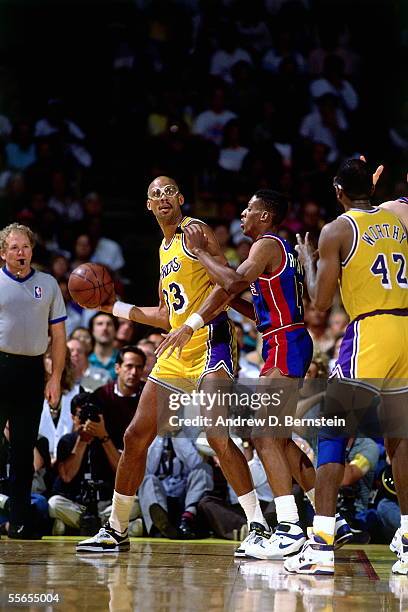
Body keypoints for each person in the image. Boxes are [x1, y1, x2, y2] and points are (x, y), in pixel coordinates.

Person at [157, 189, 351, 559]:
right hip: (284, 337)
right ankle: (333, 521)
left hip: (284, 342)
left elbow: (231, 283)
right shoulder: (276, 250)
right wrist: (224, 308)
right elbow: (254, 304)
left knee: (264, 436)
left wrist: (199, 255)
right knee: (278, 440)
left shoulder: (263, 245)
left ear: (264, 216)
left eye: (249, 209)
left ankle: (289, 527)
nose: (243, 214)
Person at [77, 175, 265, 553]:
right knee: (135, 436)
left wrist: (193, 323)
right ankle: (116, 528)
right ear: (148, 205)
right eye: (154, 194)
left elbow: (226, 284)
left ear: (180, 198)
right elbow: (166, 314)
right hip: (178, 348)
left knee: (216, 435)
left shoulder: (194, 230)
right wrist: (111, 306)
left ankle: (258, 526)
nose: (162, 198)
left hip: (211, 339)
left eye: (168, 192)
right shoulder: (164, 249)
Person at [285, 158, 408, 575]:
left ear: (338, 191)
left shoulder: (336, 229)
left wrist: (307, 260)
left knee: (334, 432)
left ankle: (320, 541)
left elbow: (320, 304)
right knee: (399, 439)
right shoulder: (398, 215)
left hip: (370, 331)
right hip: (405, 330)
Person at [0, 222, 66, 538]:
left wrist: (54, 378)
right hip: (1, 364)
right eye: (14, 247)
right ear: (3, 253)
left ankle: (20, 520)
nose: (21, 252)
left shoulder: (49, 284)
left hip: (32, 370)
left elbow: (59, 335)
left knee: (23, 450)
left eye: (25, 246)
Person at [49, 347, 145, 534]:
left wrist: (103, 436)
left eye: (139, 367)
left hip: (107, 502)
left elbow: (121, 469)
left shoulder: (113, 433)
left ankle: (90, 525)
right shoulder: (69, 440)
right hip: (78, 503)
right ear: (117, 368)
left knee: (135, 503)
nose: (133, 372)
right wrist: (83, 439)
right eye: (129, 366)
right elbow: (67, 476)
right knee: (54, 504)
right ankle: (111, 527)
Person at [139, 433, 213, 539]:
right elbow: (147, 469)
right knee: (147, 479)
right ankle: (160, 526)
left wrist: (177, 434)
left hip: (186, 496)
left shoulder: (190, 431)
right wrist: (160, 434)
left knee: (203, 468)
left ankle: (187, 521)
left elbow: (195, 464)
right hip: (160, 497)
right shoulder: (149, 434)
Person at [88, 312, 119, 379]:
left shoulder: (123, 360)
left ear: (116, 331)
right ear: (92, 331)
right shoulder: (84, 360)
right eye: (100, 324)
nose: (105, 328)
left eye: (109, 324)